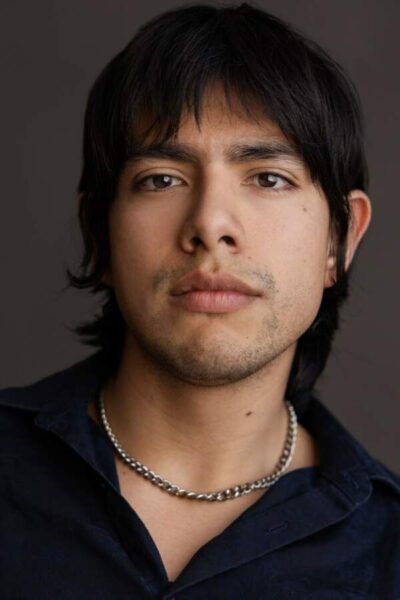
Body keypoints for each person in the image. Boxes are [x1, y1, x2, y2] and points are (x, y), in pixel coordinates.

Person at [1, 2, 399, 598]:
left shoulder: (388, 553)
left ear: (338, 241)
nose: (210, 224)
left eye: (268, 178)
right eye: (161, 179)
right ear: (99, 234)